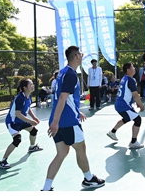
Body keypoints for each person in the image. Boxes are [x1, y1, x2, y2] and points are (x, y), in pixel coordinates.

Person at [42, 46, 105, 191]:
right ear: (76, 56)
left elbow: (66, 98)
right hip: (67, 121)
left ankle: (46, 187)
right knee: (81, 148)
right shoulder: (71, 74)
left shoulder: (62, 72)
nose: (82, 56)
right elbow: (62, 98)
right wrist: (57, 122)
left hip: (59, 118)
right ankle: (89, 179)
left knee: (62, 153)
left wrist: (76, 112)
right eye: (81, 54)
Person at [0, 78, 43, 170]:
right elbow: (18, 114)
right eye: (30, 84)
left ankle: (32, 147)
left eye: (32, 84)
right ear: (25, 87)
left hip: (21, 120)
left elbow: (28, 109)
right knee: (17, 139)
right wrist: (30, 121)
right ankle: (3, 161)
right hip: (13, 122)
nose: (33, 85)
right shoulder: (20, 98)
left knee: (33, 131)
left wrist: (34, 117)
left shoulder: (29, 96)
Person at [107, 62, 145, 149]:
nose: (134, 68)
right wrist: (141, 105)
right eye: (132, 67)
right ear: (128, 70)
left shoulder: (125, 78)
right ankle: (133, 142)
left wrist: (136, 102)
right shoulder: (130, 80)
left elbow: (129, 94)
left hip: (119, 104)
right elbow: (135, 95)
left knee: (127, 118)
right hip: (123, 105)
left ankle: (112, 132)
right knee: (138, 120)